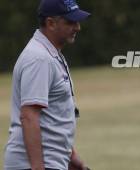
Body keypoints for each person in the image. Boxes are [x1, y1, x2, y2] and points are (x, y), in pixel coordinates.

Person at [4, 0, 91, 169]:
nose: (78, 27)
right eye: (71, 22)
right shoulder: (39, 59)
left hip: (51, 162)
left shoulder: (49, 54)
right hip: (35, 164)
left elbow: (51, 119)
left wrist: (71, 157)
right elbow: (29, 116)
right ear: (51, 23)